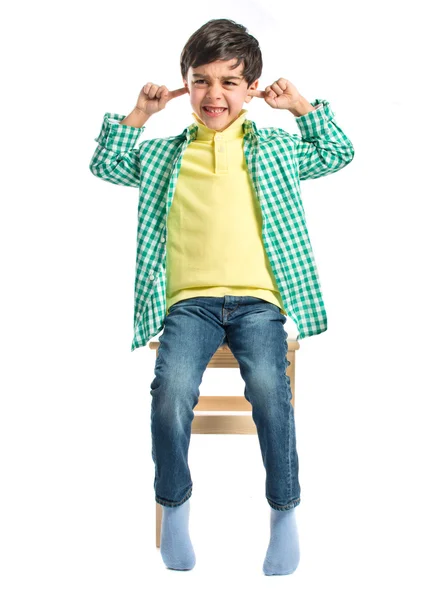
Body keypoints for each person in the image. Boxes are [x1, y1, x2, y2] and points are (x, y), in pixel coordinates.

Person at [89, 18, 355, 576]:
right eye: (201, 80)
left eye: (230, 82)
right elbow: (105, 164)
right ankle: (175, 505)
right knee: (171, 390)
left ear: (251, 88)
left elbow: (337, 151)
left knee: (267, 387)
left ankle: (284, 514)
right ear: (185, 84)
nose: (215, 94)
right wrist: (141, 113)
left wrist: (300, 106)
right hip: (191, 304)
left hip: (260, 303)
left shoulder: (278, 149)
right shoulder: (165, 155)